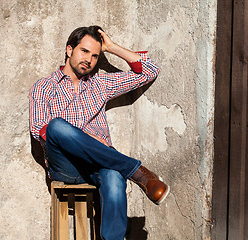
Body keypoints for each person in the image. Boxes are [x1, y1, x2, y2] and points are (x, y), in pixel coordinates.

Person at [29, 25, 170, 240]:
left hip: (100, 164)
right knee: (56, 126)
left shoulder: (100, 84)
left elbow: (150, 71)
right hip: (66, 166)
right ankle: (137, 171)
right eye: (84, 51)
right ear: (69, 50)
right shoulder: (45, 87)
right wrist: (83, 138)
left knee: (114, 176)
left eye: (95, 55)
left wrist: (112, 47)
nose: (89, 59)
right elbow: (39, 130)